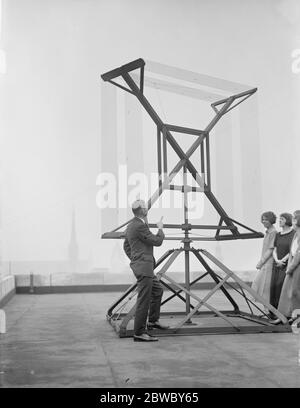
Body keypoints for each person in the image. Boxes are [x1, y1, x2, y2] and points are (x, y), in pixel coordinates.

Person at [123, 200, 168, 342]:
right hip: (144, 267)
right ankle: (139, 333)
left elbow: (126, 246)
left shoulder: (131, 226)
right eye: (145, 206)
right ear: (142, 210)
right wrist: (160, 228)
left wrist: (136, 258)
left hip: (142, 266)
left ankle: (152, 321)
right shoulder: (140, 226)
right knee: (144, 300)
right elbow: (157, 241)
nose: (146, 207)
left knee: (157, 290)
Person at [272, 210, 300, 324]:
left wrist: (291, 268)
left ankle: (295, 317)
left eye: (294, 218)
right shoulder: (296, 234)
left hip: (296, 268)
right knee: (286, 292)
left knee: (295, 293)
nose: (292, 220)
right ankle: (283, 316)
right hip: (292, 266)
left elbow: (298, 255)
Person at [251, 211, 277, 313]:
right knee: (260, 285)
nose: (263, 221)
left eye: (266, 219)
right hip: (265, 263)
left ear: (271, 220)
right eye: (263, 219)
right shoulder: (268, 232)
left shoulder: (273, 232)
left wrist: (261, 262)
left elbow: (270, 249)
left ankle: (268, 310)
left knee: (264, 287)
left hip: (268, 263)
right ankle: (267, 310)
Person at [270, 213, 295, 310]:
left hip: (285, 265)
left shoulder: (293, 234)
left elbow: (292, 250)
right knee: (274, 288)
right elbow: (274, 249)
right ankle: (274, 312)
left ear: (288, 220)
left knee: (282, 288)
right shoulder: (278, 234)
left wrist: (282, 261)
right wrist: (277, 260)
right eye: (279, 219)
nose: (279, 221)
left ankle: (282, 312)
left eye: (282, 219)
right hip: (276, 264)